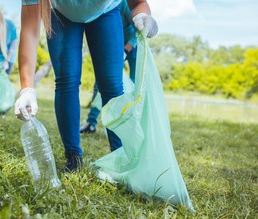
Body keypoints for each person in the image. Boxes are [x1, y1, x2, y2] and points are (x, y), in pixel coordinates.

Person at [15, 0, 158, 172]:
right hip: (61, 14)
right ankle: (73, 155)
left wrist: (144, 15)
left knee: (111, 85)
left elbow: (138, 3)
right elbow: (30, 30)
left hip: (106, 12)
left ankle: (121, 154)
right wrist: (27, 88)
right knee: (67, 80)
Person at [81, 0, 137, 134]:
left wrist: (125, 50)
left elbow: (137, 29)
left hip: (132, 46)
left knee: (135, 83)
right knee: (101, 82)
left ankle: (132, 122)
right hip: (112, 43)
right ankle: (91, 122)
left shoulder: (122, 3)